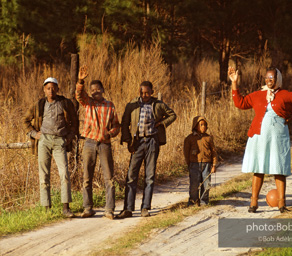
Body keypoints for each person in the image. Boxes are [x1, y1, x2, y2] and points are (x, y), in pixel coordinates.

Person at [228, 66, 292, 213]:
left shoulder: (286, 95)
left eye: (272, 78)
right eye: (267, 77)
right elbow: (239, 103)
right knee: (258, 168)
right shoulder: (258, 94)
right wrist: (234, 83)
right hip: (259, 137)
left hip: (278, 137)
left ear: (277, 79)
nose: (269, 80)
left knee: (278, 169)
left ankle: (281, 204)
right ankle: (253, 203)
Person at [117, 81, 177, 218]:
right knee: (131, 176)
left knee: (149, 176)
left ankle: (145, 207)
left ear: (152, 92)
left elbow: (172, 115)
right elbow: (125, 123)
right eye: (142, 92)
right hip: (137, 142)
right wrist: (127, 141)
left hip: (152, 141)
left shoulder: (158, 104)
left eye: (147, 92)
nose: (144, 95)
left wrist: (161, 124)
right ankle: (128, 208)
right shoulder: (132, 104)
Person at [23, 77, 78, 218]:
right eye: (48, 88)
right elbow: (25, 120)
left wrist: (70, 136)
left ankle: (66, 207)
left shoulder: (65, 103)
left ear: (58, 89)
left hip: (60, 140)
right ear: (44, 90)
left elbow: (74, 122)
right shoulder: (39, 104)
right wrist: (34, 134)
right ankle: (47, 208)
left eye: (53, 88)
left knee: (64, 173)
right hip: (44, 140)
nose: (51, 90)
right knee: (44, 174)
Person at [75, 66, 120, 220]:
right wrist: (81, 80)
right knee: (87, 177)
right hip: (89, 143)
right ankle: (88, 208)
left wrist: (110, 133)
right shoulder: (88, 103)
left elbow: (116, 125)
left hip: (105, 144)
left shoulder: (110, 105)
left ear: (102, 89)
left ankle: (109, 210)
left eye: (97, 89)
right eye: (92, 89)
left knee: (109, 178)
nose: (95, 92)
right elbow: (79, 94)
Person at [184, 116, 218, 206]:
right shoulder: (189, 138)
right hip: (194, 164)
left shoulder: (209, 138)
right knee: (194, 185)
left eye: (205, 125)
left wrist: (213, 165)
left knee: (206, 184)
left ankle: (204, 201)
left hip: (207, 164)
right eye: (201, 125)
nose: (204, 127)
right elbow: (186, 153)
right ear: (195, 126)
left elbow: (214, 152)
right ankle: (193, 201)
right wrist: (189, 164)